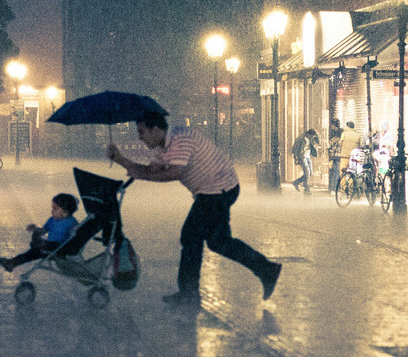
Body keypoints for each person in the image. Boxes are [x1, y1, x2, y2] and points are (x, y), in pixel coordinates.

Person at [108, 111, 281, 308]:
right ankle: (266, 269)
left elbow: (174, 172)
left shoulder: (181, 139)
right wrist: (121, 159)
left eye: (142, 132)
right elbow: (151, 171)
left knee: (191, 237)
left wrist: (138, 172)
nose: (139, 138)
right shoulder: (160, 147)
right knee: (218, 242)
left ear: (156, 129)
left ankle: (189, 295)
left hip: (218, 189)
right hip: (211, 191)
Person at [0, 193, 79, 272]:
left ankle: (13, 262)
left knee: (35, 252)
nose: (52, 211)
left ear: (65, 211)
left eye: (55, 208)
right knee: (32, 253)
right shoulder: (52, 220)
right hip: (48, 246)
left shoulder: (72, 222)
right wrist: (35, 229)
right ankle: (12, 262)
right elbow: (44, 230)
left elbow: (74, 236)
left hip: (58, 248)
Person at [291, 128, 318, 194]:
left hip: (308, 156)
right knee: (307, 172)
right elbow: (295, 149)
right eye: (312, 136)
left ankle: (296, 182)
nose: (312, 137)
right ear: (309, 134)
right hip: (302, 157)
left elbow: (316, 144)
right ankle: (307, 189)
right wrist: (295, 158)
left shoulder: (311, 139)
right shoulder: (300, 138)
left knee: (310, 173)